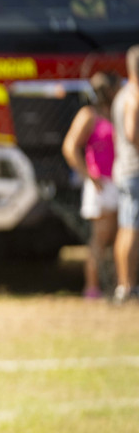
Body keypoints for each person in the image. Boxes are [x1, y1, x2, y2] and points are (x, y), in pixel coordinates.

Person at [62, 71, 120, 299]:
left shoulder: (114, 113)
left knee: (117, 235)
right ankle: (92, 288)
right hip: (100, 185)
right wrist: (88, 175)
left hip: (117, 182)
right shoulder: (89, 115)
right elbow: (70, 146)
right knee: (100, 238)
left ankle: (116, 285)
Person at [112, 45, 139, 304]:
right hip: (135, 170)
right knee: (133, 228)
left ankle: (124, 284)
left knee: (126, 227)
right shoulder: (135, 95)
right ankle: (129, 286)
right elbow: (132, 133)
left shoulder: (121, 94)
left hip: (124, 168)